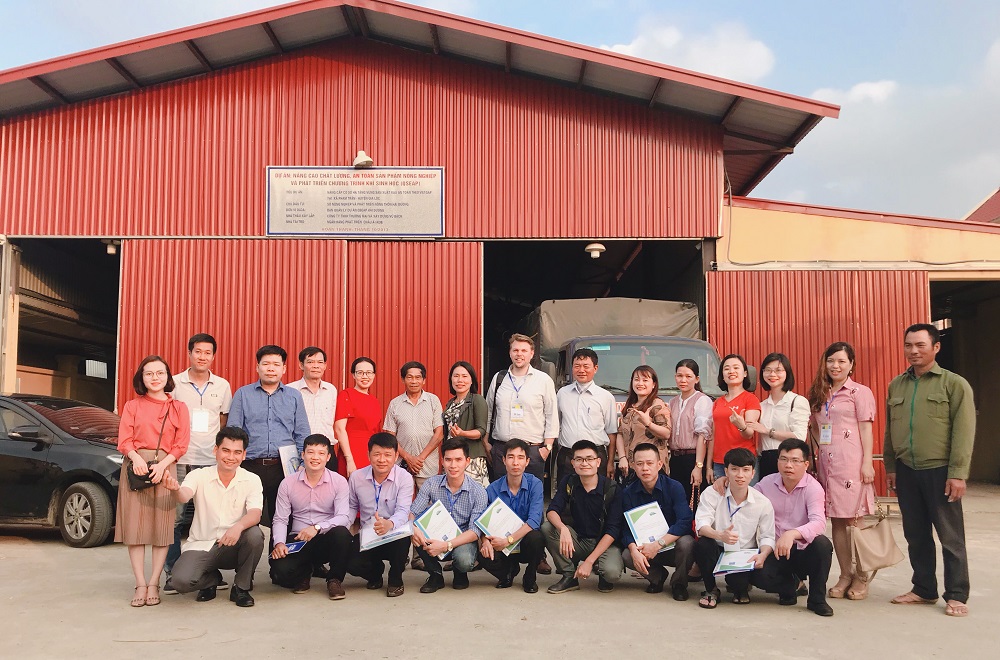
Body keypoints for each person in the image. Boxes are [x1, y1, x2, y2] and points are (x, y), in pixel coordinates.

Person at [885, 323, 975, 617]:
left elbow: (963, 432)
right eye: (908, 345)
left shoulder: (954, 384)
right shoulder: (897, 385)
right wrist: (891, 466)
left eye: (920, 345)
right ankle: (923, 589)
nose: (913, 351)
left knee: (950, 537)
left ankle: (957, 593)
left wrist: (958, 473)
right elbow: (891, 430)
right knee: (916, 534)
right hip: (906, 470)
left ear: (936, 347)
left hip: (940, 471)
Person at [116, 355, 190, 607]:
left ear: (168, 377)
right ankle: (140, 583)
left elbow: (181, 443)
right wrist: (136, 457)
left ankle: (154, 582)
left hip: (165, 467)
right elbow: (124, 439)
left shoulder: (178, 407)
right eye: (149, 373)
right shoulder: (132, 406)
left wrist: (162, 465)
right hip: (135, 467)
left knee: (162, 530)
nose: (155, 378)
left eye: (160, 373)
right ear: (142, 377)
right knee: (135, 530)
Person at [162, 427, 264, 608]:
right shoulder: (198, 475)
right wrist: (175, 490)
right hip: (202, 544)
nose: (231, 457)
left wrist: (238, 527)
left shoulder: (252, 479)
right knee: (179, 582)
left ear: (244, 455)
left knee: (255, 535)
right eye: (225, 450)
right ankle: (211, 580)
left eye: (237, 452)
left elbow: (255, 513)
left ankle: (241, 588)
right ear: (215, 450)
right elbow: (184, 495)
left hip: (233, 544)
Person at [806, 341, 877, 600]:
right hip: (828, 466)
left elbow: (866, 430)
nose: (835, 366)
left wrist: (867, 462)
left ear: (851, 365)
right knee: (836, 520)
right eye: (831, 361)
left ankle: (862, 576)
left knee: (854, 521)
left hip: (852, 464)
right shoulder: (819, 393)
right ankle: (845, 574)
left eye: (841, 361)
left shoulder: (860, 392)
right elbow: (815, 430)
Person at [165, 334, 232, 591]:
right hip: (180, 459)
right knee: (175, 519)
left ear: (213, 356)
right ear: (189, 353)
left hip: (209, 461)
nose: (202, 357)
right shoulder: (175, 384)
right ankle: (172, 571)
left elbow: (222, 421)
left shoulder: (222, 385)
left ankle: (207, 570)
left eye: (207, 352)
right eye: (198, 351)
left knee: (210, 519)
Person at [228, 345, 311, 530]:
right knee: (246, 518)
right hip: (250, 466)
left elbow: (302, 433)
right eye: (266, 364)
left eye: (276, 364)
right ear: (257, 367)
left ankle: (279, 549)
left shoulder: (294, 396)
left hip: (284, 468)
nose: (271, 368)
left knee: (282, 518)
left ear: (284, 368)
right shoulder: (243, 394)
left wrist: (302, 464)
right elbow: (233, 432)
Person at [754, 439, 835, 616]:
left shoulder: (813, 488)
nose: (788, 465)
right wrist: (725, 481)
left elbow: (819, 523)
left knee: (822, 545)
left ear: (806, 464)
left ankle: (817, 600)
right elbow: (746, 498)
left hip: (803, 550)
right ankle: (789, 587)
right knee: (756, 573)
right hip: (777, 551)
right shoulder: (766, 484)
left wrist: (792, 534)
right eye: (783, 459)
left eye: (795, 460)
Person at [269, 434, 352, 600]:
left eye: (321, 453)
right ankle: (304, 573)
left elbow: (343, 516)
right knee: (280, 570)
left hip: (325, 537)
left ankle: (334, 579)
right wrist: (279, 543)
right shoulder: (288, 483)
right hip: (299, 539)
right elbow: (280, 519)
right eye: (311, 452)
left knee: (342, 534)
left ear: (328, 457)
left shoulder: (339, 481)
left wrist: (317, 528)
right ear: (302, 455)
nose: (315, 457)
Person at [692, 448, 774, 609]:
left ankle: (740, 587)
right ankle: (711, 590)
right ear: (726, 471)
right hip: (717, 547)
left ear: (753, 473)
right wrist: (719, 535)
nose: (740, 475)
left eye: (746, 470)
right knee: (703, 545)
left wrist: (763, 555)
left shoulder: (762, 502)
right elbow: (701, 525)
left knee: (739, 583)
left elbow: (768, 536)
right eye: (734, 469)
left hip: (743, 553)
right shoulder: (713, 493)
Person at [542, 440, 624, 594]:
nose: (584, 463)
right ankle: (569, 576)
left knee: (611, 573)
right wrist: (563, 529)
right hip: (579, 540)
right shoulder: (569, 482)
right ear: (573, 463)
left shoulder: (612, 488)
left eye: (589, 459)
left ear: (598, 462)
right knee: (548, 527)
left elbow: (613, 530)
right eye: (579, 459)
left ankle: (602, 572)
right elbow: (552, 510)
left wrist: (589, 561)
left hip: (604, 543)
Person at [409, 437, 489, 593]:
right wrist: (413, 528)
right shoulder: (431, 483)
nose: (453, 465)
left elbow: (475, 532)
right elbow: (413, 511)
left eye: (458, 460)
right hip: (435, 535)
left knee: (464, 560)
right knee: (412, 531)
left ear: (467, 461)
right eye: (448, 460)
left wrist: (446, 545)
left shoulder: (478, 491)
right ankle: (435, 575)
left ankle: (460, 573)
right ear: (442, 461)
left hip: (462, 540)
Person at [620, 442, 695, 600]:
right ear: (633, 466)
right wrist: (634, 550)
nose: (645, 468)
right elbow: (626, 529)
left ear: (659, 464)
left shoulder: (674, 487)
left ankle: (679, 584)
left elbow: (685, 521)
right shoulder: (628, 493)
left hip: (671, 545)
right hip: (646, 547)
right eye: (640, 464)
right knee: (627, 554)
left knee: (687, 543)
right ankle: (657, 577)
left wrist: (658, 544)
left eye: (650, 463)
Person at [346, 432, 415, 597]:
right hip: (368, 534)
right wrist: (343, 528)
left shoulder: (404, 478)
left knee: (404, 537)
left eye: (387, 455)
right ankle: (375, 574)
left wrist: (389, 524)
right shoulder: (356, 477)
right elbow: (351, 507)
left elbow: (403, 510)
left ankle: (395, 579)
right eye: (377, 454)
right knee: (349, 562)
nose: (382, 460)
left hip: (393, 532)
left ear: (396, 456)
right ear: (368, 455)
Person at [485, 333, 558, 481]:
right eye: (516, 350)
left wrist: (547, 448)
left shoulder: (544, 380)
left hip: (532, 451)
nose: (519, 354)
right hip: (502, 451)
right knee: (501, 493)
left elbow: (551, 415)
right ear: (510, 353)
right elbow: (488, 412)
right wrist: (485, 443)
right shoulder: (499, 378)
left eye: (524, 350)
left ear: (532, 354)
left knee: (530, 493)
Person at [477, 439, 546, 593]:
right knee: (481, 552)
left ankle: (530, 576)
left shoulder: (535, 484)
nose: (515, 463)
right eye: (511, 457)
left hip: (524, 542)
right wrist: (485, 542)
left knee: (537, 538)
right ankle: (507, 572)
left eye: (520, 458)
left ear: (527, 461)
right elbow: (483, 521)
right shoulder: (492, 489)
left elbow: (534, 520)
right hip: (502, 545)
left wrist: (508, 540)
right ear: (504, 460)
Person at [556, 348, 617, 485]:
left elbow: (612, 432)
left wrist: (610, 462)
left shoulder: (606, 397)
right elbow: (557, 424)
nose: (581, 370)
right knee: (566, 493)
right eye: (577, 366)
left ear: (595, 368)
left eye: (586, 366)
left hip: (595, 456)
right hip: (568, 455)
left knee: (595, 494)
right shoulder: (562, 394)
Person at [747, 353, 809, 479]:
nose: (772, 374)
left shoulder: (797, 401)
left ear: (787, 373)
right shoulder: (762, 405)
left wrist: (767, 431)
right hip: (765, 461)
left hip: (788, 461)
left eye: (778, 370)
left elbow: (799, 436)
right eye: (768, 370)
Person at [385, 361, 444, 490]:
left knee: (429, 501)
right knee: (401, 500)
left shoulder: (433, 401)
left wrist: (419, 459)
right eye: (409, 377)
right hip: (402, 465)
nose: (414, 381)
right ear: (403, 379)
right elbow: (390, 436)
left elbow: (439, 434)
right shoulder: (395, 404)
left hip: (427, 465)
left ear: (424, 380)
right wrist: (408, 458)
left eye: (418, 377)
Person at [666, 358, 713, 505]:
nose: (683, 380)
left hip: (693, 458)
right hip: (675, 459)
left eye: (688, 376)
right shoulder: (672, 402)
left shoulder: (702, 400)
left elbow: (703, 436)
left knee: (693, 503)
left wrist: (698, 467)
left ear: (696, 379)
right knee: (676, 502)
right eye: (679, 376)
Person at [285, 346, 338, 469]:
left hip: (326, 449)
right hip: (300, 449)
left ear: (325, 366)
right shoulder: (290, 390)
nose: (316, 366)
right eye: (310, 362)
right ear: (301, 365)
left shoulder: (331, 389)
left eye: (320, 362)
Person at [614, 365, 670, 480]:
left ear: (653, 384)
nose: (640, 383)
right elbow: (620, 433)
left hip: (651, 468)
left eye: (645, 380)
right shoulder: (630, 405)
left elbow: (666, 433)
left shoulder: (657, 405)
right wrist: (622, 457)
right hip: (630, 466)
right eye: (636, 379)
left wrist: (648, 423)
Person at [710, 354, 760, 483]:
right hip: (720, 463)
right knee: (721, 496)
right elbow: (713, 436)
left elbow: (749, 434)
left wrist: (741, 426)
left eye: (736, 368)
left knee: (745, 496)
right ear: (722, 375)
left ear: (745, 373)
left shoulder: (751, 399)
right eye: (726, 369)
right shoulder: (718, 402)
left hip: (743, 463)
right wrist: (709, 465)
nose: (731, 371)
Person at [334, 356, 382, 477]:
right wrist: (349, 459)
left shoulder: (374, 401)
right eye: (360, 373)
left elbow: (376, 432)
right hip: (351, 452)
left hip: (371, 454)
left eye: (369, 373)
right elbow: (340, 429)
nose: (365, 376)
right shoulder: (346, 395)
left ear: (374, 375)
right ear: (353, 375)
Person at [442, 361, 489, 487]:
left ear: (472, 380)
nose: (460, 380)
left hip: (471, 458)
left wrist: (462, 433)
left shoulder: (477, 400)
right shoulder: (450, 403)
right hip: (452, 458)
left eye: (464, 376)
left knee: (472, 493)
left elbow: (481, 431)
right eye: (456, 376)